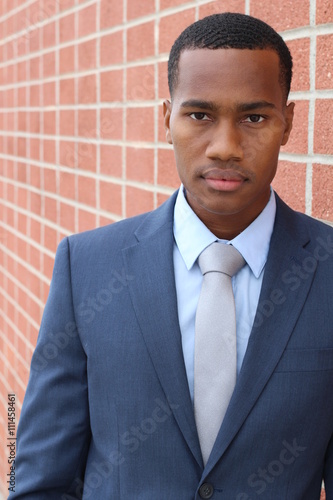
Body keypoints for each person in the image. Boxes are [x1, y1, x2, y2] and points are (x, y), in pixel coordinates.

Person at [10, 12, 333, 500]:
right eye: (200, 115)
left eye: (254, 117)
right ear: (167, 119)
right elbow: (40, 482)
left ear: (289, 121)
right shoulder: (88, 267)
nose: (225, 147)